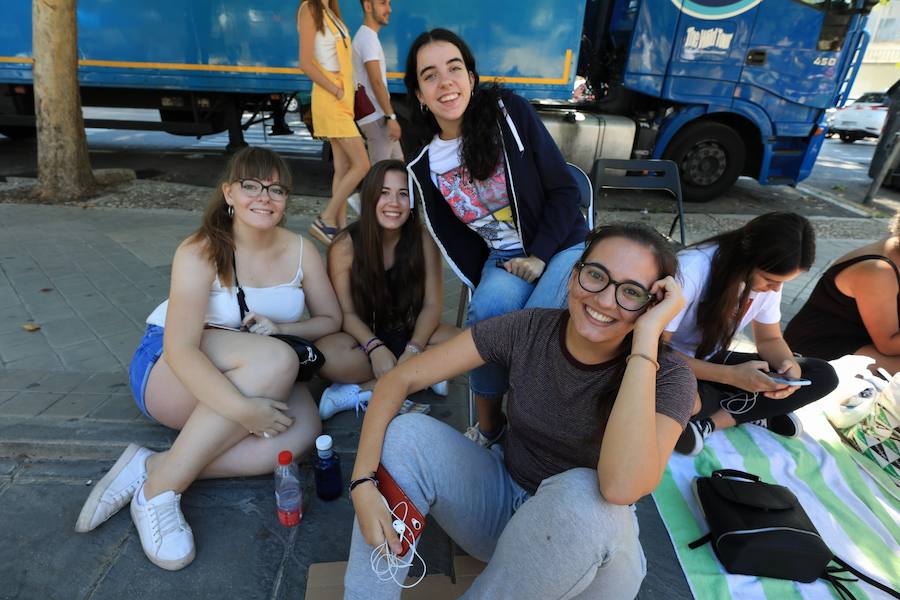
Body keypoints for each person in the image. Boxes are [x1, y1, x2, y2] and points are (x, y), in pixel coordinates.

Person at [343, 223, 696, 599]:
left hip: (591, 551)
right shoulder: (530, 329)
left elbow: (620, 486)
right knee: (407, 435)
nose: (605, 301)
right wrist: (363, 482)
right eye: (596, 275)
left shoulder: (670, 379)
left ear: (652, 306)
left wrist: (646, 339)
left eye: (631, 292)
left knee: (585, 492)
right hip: (502, 510)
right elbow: (398, 381)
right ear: (574, 275)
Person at [74, 147, 340, 570]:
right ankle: (158, 492)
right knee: (274, 363)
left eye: (276, 188)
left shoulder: (302, 250)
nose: (264, 196)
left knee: (301, 436)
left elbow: (331, 318)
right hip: (172, 367)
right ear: (229, 193)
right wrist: (244, 411)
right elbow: (180, 348)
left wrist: (283, 329)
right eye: (251, 185)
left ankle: (155, 464)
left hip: (261, 364)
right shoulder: (200, 249)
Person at [404, 28, 590, 447]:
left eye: (455, 69)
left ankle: (536, 435)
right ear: (418, 93)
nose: (445, 82)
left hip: (560, 245)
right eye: (430, 75)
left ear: (471, 77)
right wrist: (483, 278)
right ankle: (490, 428)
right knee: (487, 314)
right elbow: (451, 234)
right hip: (504, 257)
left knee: (537, 328)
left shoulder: (509, 113)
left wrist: (541, 255)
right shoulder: (424, 160)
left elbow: (565, 190)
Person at [666, 212, 839, 456]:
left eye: (782, 282)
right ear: (746, 259)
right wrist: (729, 377)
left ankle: (714, 419)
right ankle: (750, 409)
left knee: (822, 374)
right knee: (687, 401)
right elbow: (652, 351)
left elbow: (770, 338)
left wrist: (787, 366)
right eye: (770, 280)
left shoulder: (767, 278)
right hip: (670, 365)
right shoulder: (693, 268)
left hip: (710, 360)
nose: (776, 289)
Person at [315, 159, 457, 417]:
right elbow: (346, 314)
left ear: (413, 202)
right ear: (369, 198)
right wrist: (375, 347)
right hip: (362, 340)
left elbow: (433, 305)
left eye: (403, 194)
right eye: (384, 193)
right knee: (326, 355)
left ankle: (359, 391)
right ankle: (421, 376)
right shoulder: (345, 246)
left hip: (410, 331)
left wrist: (414, 348)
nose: (394, 203)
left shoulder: (423, 238)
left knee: (464, 344)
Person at [785, 212, 900, 374]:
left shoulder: (893, 246)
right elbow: (888, 345)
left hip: (861, 341)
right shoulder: (878, 270)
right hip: (817, 349)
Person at [298, 0, 370, 243]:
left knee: (343, 167)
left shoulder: (331, 12)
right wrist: (335, 90)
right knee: (362, 164)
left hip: (341, 100)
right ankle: (326, 218)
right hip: (331, 99)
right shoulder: (310, 9)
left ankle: (338, 228)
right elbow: (305, 63)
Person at [352, 0, 403, 163]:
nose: (389, 9)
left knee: (398, 168)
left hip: (378, 115)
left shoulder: (368, 37)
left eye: (389, 3)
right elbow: (376, 81)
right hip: (375, 116)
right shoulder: (367, 39)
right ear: (368, 7)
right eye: (383, 3)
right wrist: (391, 117)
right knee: (381, 175)